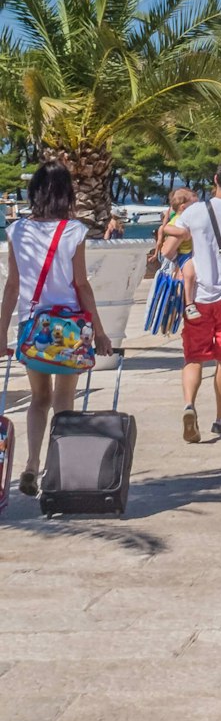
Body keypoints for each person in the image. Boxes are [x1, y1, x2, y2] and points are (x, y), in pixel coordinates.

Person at [2, 162, 109, 497]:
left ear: (34, 190)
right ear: (67, 193)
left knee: (38, 399)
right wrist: (101, 332)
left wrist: (1, 332)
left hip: (33, 326)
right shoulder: (73, 231)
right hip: (69, 330)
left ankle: (31, 464)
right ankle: (57, 465)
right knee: (64, 398)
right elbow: (81, 285)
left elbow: (13, 285)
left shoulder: (16, 230)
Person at [158, 158, 221, 443]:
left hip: (197, 298)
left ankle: (189, 405)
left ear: (216, 179)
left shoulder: (194, 212)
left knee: (193, 359)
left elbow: (169, 251)